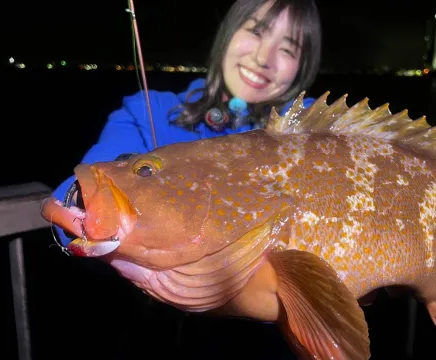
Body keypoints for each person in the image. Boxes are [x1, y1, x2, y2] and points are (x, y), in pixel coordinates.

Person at [50, 0, 323, 249]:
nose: (264, 58)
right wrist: (84, 200)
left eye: (287, 49)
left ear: (302, 67)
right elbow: (70, 199)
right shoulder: (150, 112)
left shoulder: (314, 134)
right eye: (255, 31)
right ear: (228, 34)